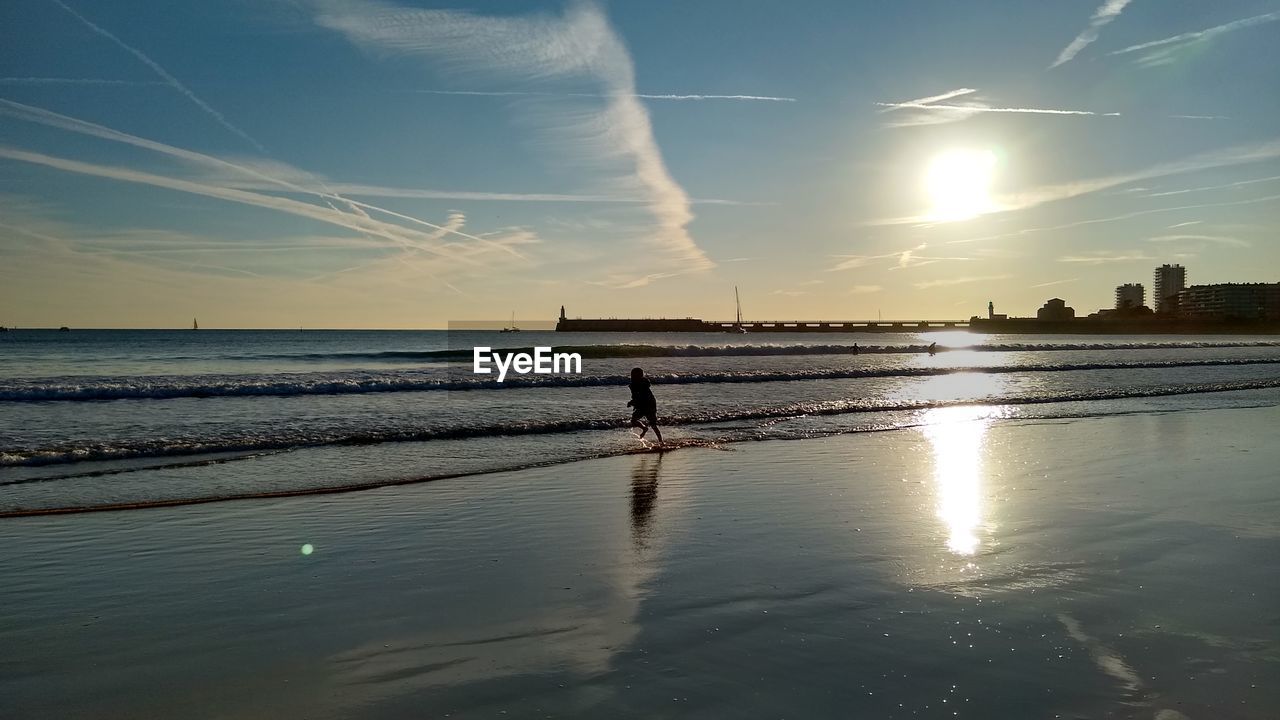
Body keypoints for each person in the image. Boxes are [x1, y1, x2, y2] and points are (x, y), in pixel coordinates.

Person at [627, 367, 663, 443]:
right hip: (641, 405)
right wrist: (632, 402)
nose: (633, 376)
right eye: (632, 375)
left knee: (653, 424)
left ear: (640, 376)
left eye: (635, 375)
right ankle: (644, 428)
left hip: (649, 404)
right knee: (633, 420)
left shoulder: (644, 384)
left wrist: (632, 402)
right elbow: (635, 396)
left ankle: (661, 442)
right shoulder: (633, 385)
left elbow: (641, 396)